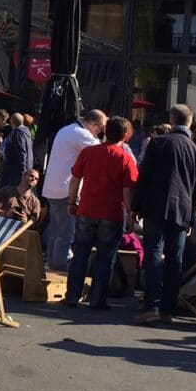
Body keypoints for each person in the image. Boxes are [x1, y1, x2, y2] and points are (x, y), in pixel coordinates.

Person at [131, 103, 196, 325]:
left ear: (172, 121)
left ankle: (152, 304)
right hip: (183, 210)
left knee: (153, 253)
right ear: (191, 123)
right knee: (175, 259)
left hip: (156, 205)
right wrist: (192, 216)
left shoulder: (159, 143)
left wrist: (136, 206)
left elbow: (144, 177)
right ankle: (168, 308)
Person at [64, 117, 139, 310]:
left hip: (87, 209)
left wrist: (72, 202)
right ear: (124, 135)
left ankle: (72, 296)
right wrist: (131, 215)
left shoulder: (88, 152)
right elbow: (127, 191)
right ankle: (97, 300)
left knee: (80, 253)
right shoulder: (125, 158)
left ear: (105, 131)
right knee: (106, 258)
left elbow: (75, 179)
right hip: (111, 213)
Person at [41, 110, 108, 271]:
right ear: (93, 125)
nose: (100, 132)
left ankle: (52, 266)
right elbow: (102, 151)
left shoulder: (66, 129)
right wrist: (106, 136)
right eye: (100, 129)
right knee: (65, 234)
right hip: (65, 189)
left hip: (52, 188)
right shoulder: (81, 134)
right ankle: (59, 270)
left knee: (56, 232)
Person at [0, 113, 33, 190]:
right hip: (25, 170)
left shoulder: (17, 133)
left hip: (14, 173)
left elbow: (22, 152)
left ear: (12, 123)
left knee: (6, 195)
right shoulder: (27, 133)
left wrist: (23, 172)